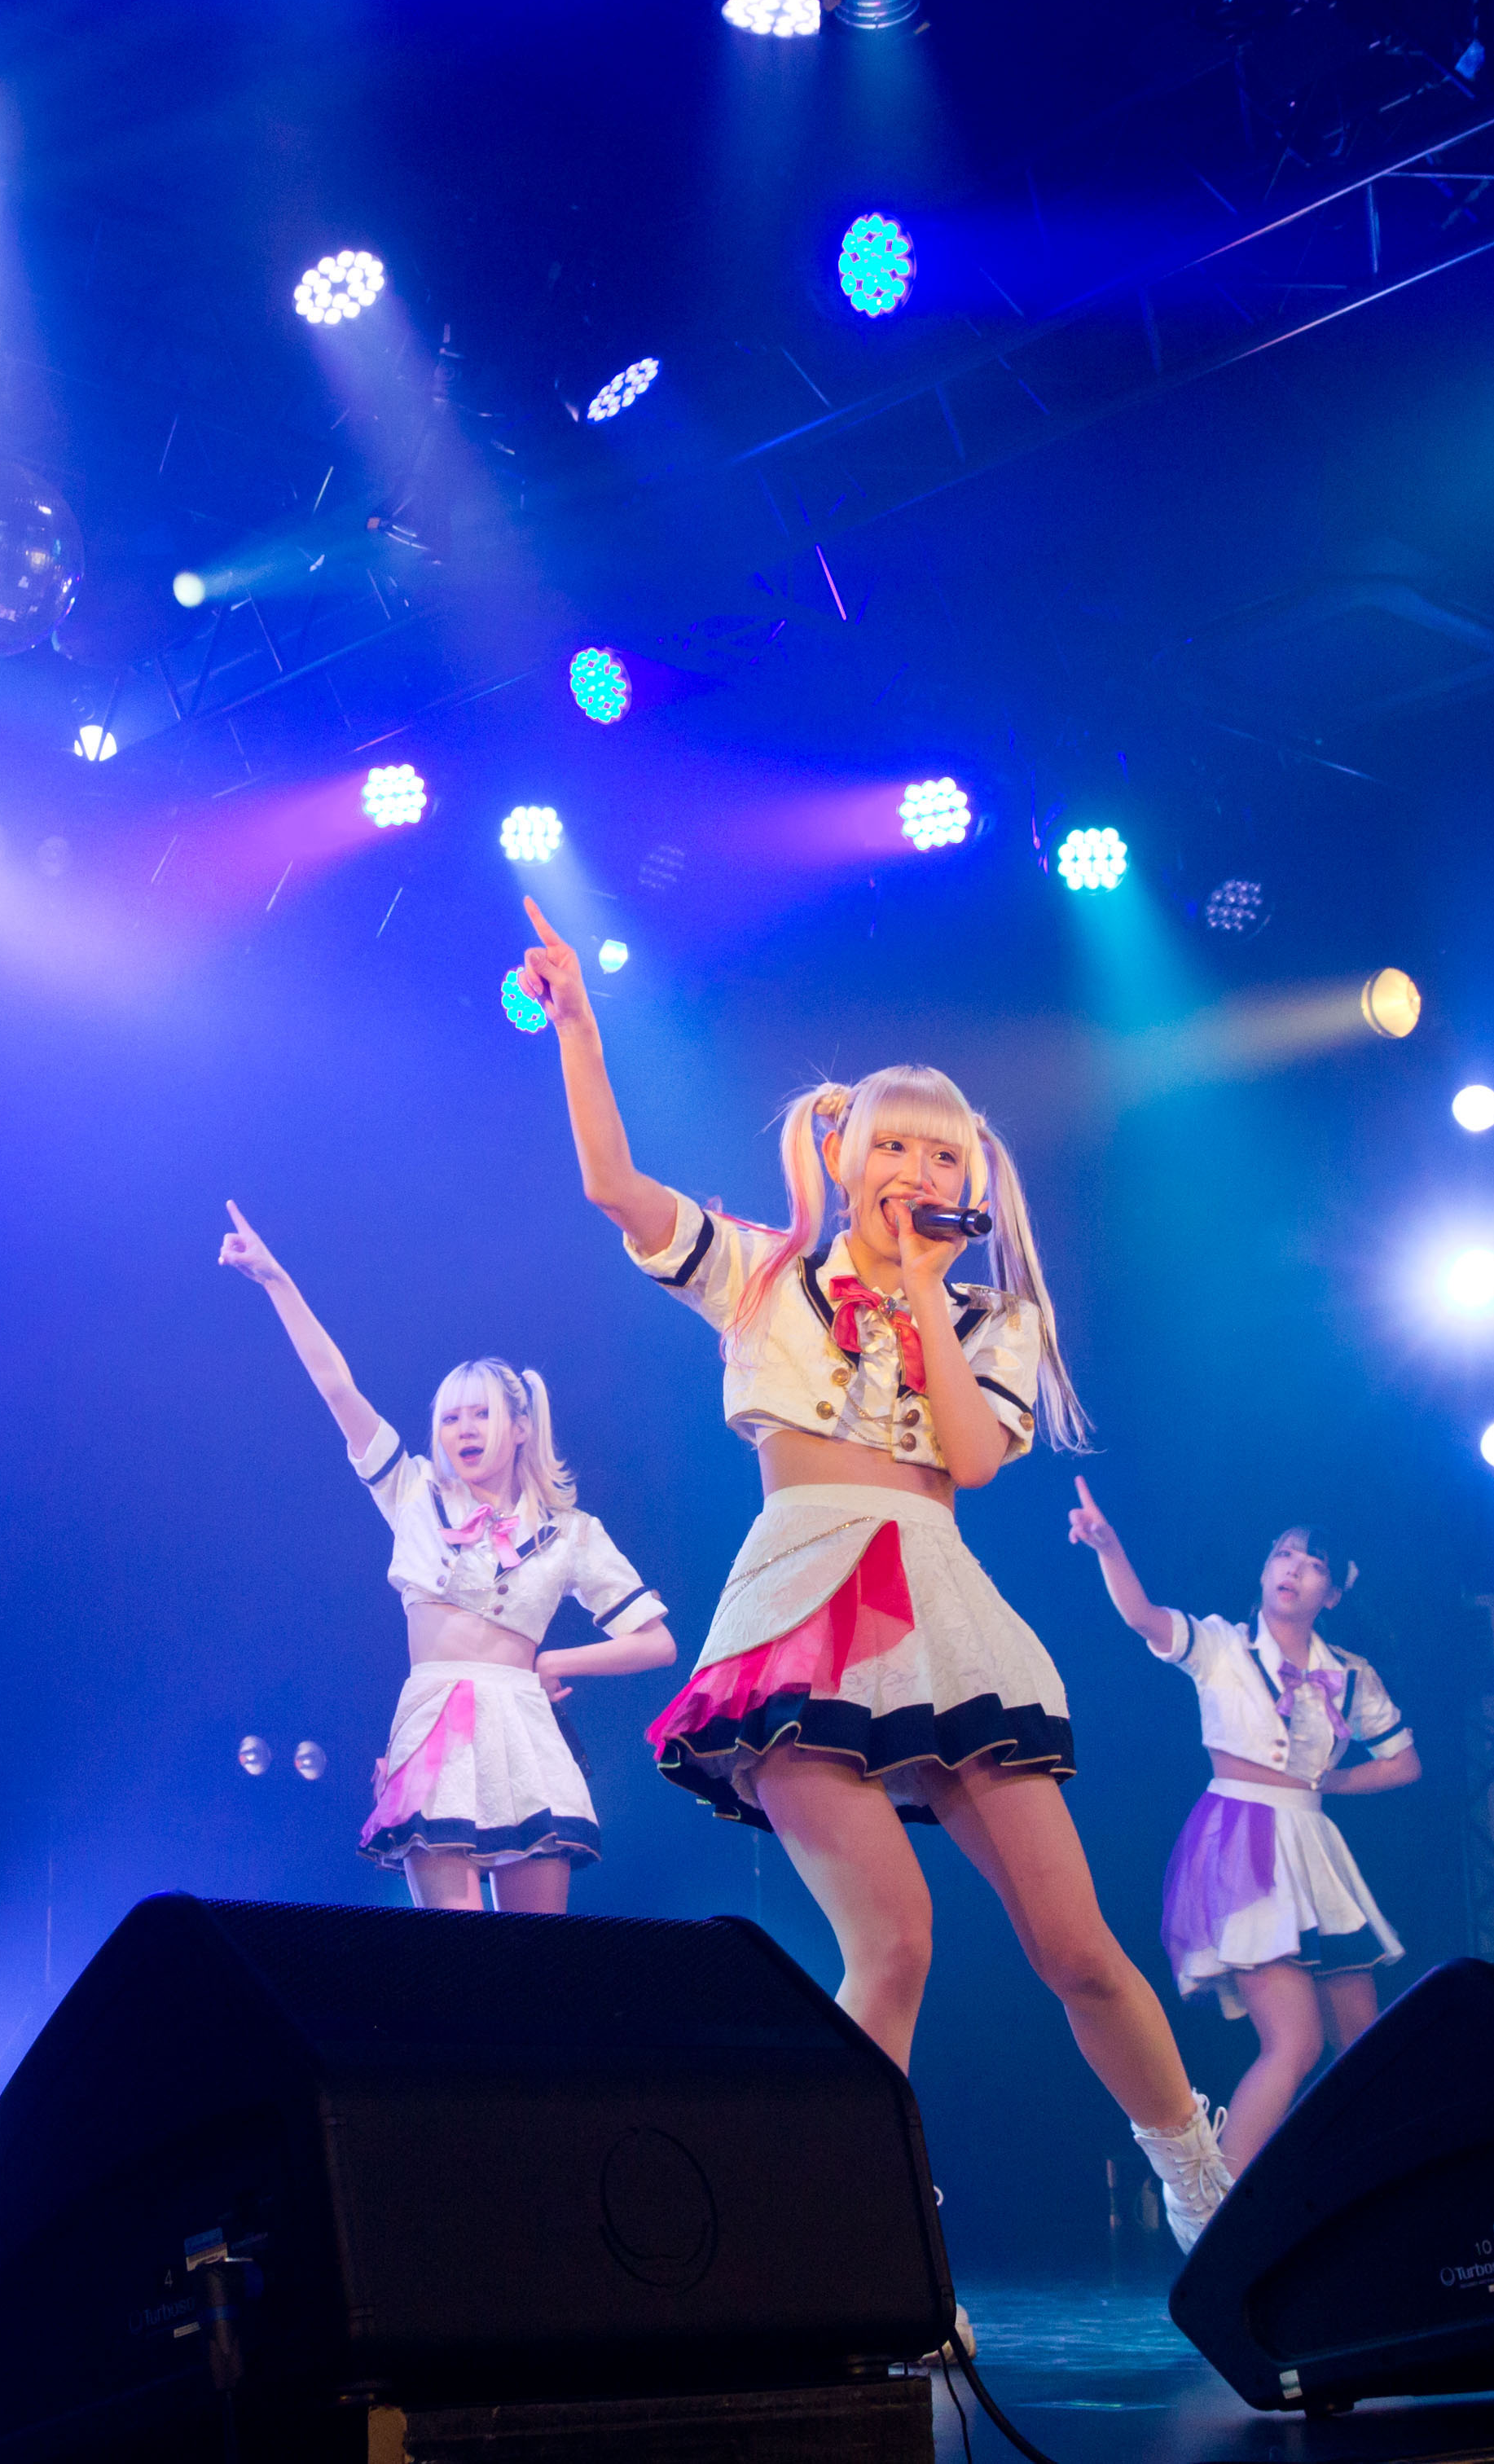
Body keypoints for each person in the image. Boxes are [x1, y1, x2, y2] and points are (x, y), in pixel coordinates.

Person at [516, 901, 1237, 2250]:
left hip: (943, 1608)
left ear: (974, 1174)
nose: (916, 1163)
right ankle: (861, 2229)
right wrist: (579, 1031)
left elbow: (972, 1456)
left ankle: (1199, 2181)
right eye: (894, 1140)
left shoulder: (992, 1310)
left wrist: (922, 1299)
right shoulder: (763, 1269)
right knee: (891, 1942)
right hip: (798, 1605)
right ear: (845, 1151)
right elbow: (616, 1188)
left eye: (942, 1148)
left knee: (1077, 1947)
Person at [216, 1202, 680, 1906]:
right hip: (434, 1725)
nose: (463, 1428)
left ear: (519, 1427)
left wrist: (555, 1661)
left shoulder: (569, 1531)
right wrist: (277, 1280)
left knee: (538, 1955)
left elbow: (656, 1642)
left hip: (524, 1731)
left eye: (480, 1413)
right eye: (450, 1416)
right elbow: (337, 1386)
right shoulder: (412, 1493)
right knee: (453, 1952)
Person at [1066, 1495, 1416, 2180]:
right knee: (1294, 2041)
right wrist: (1108, 1546)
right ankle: (1215, 2203)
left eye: (1314, 1564)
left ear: (1332, 1593)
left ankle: (1365, 2187)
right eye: (1284, 1554)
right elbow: (1143, 1617)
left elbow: (1404, 1762)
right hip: (1242, 1841)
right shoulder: (1223, 1644)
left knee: (1364, 2045)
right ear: (1264, 1570)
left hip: (1315, 1853)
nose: (1294, 1569)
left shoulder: (1350, 1674)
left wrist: (1326, 1782)